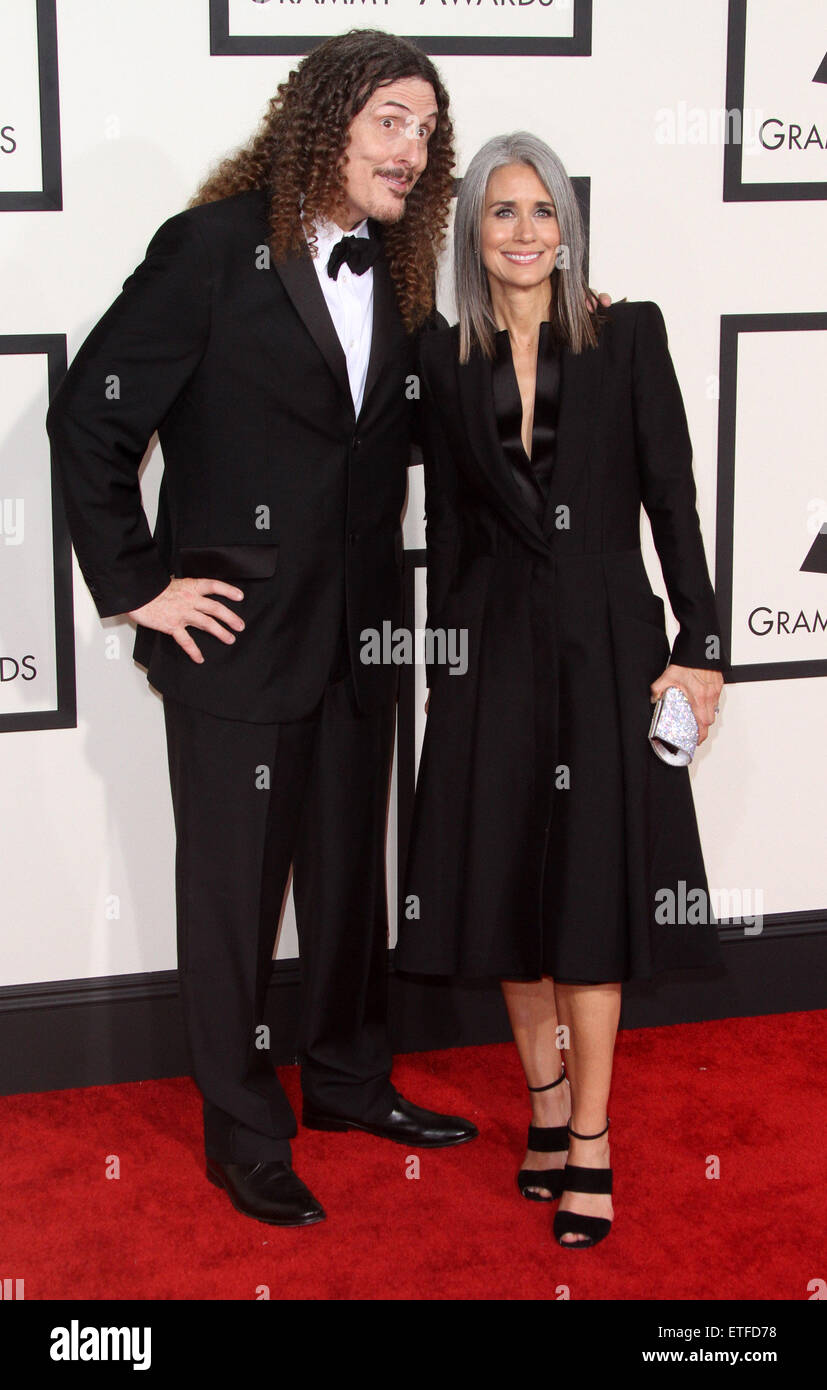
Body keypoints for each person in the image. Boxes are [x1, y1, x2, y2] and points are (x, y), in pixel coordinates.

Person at [45, 29, 481, 1230]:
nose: (414, 147)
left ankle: (345, 1081)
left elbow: (414, 428)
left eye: (427, 130)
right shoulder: (210, 248)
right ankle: (242, 1130)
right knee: (235, 902)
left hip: (360, 642)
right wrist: (139, 584)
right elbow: (90, 419)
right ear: (327, 120)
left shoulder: (397, 267)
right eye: (393, 119)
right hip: (232, 643)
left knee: (347, 880)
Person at [396, 131, 726, 1248]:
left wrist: (702, 642)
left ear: (568, 229)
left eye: (543, 211)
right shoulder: (442, 357)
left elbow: (670, 497)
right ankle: (539, 1106)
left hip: (604, 643)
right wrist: (445, 660)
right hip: (491, 646)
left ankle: (588, 1139)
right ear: (470, 235)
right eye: (502, 212)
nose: (525, 231)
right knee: (510, 893)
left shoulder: (627, 333)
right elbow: (444, 523)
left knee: (588, 894)